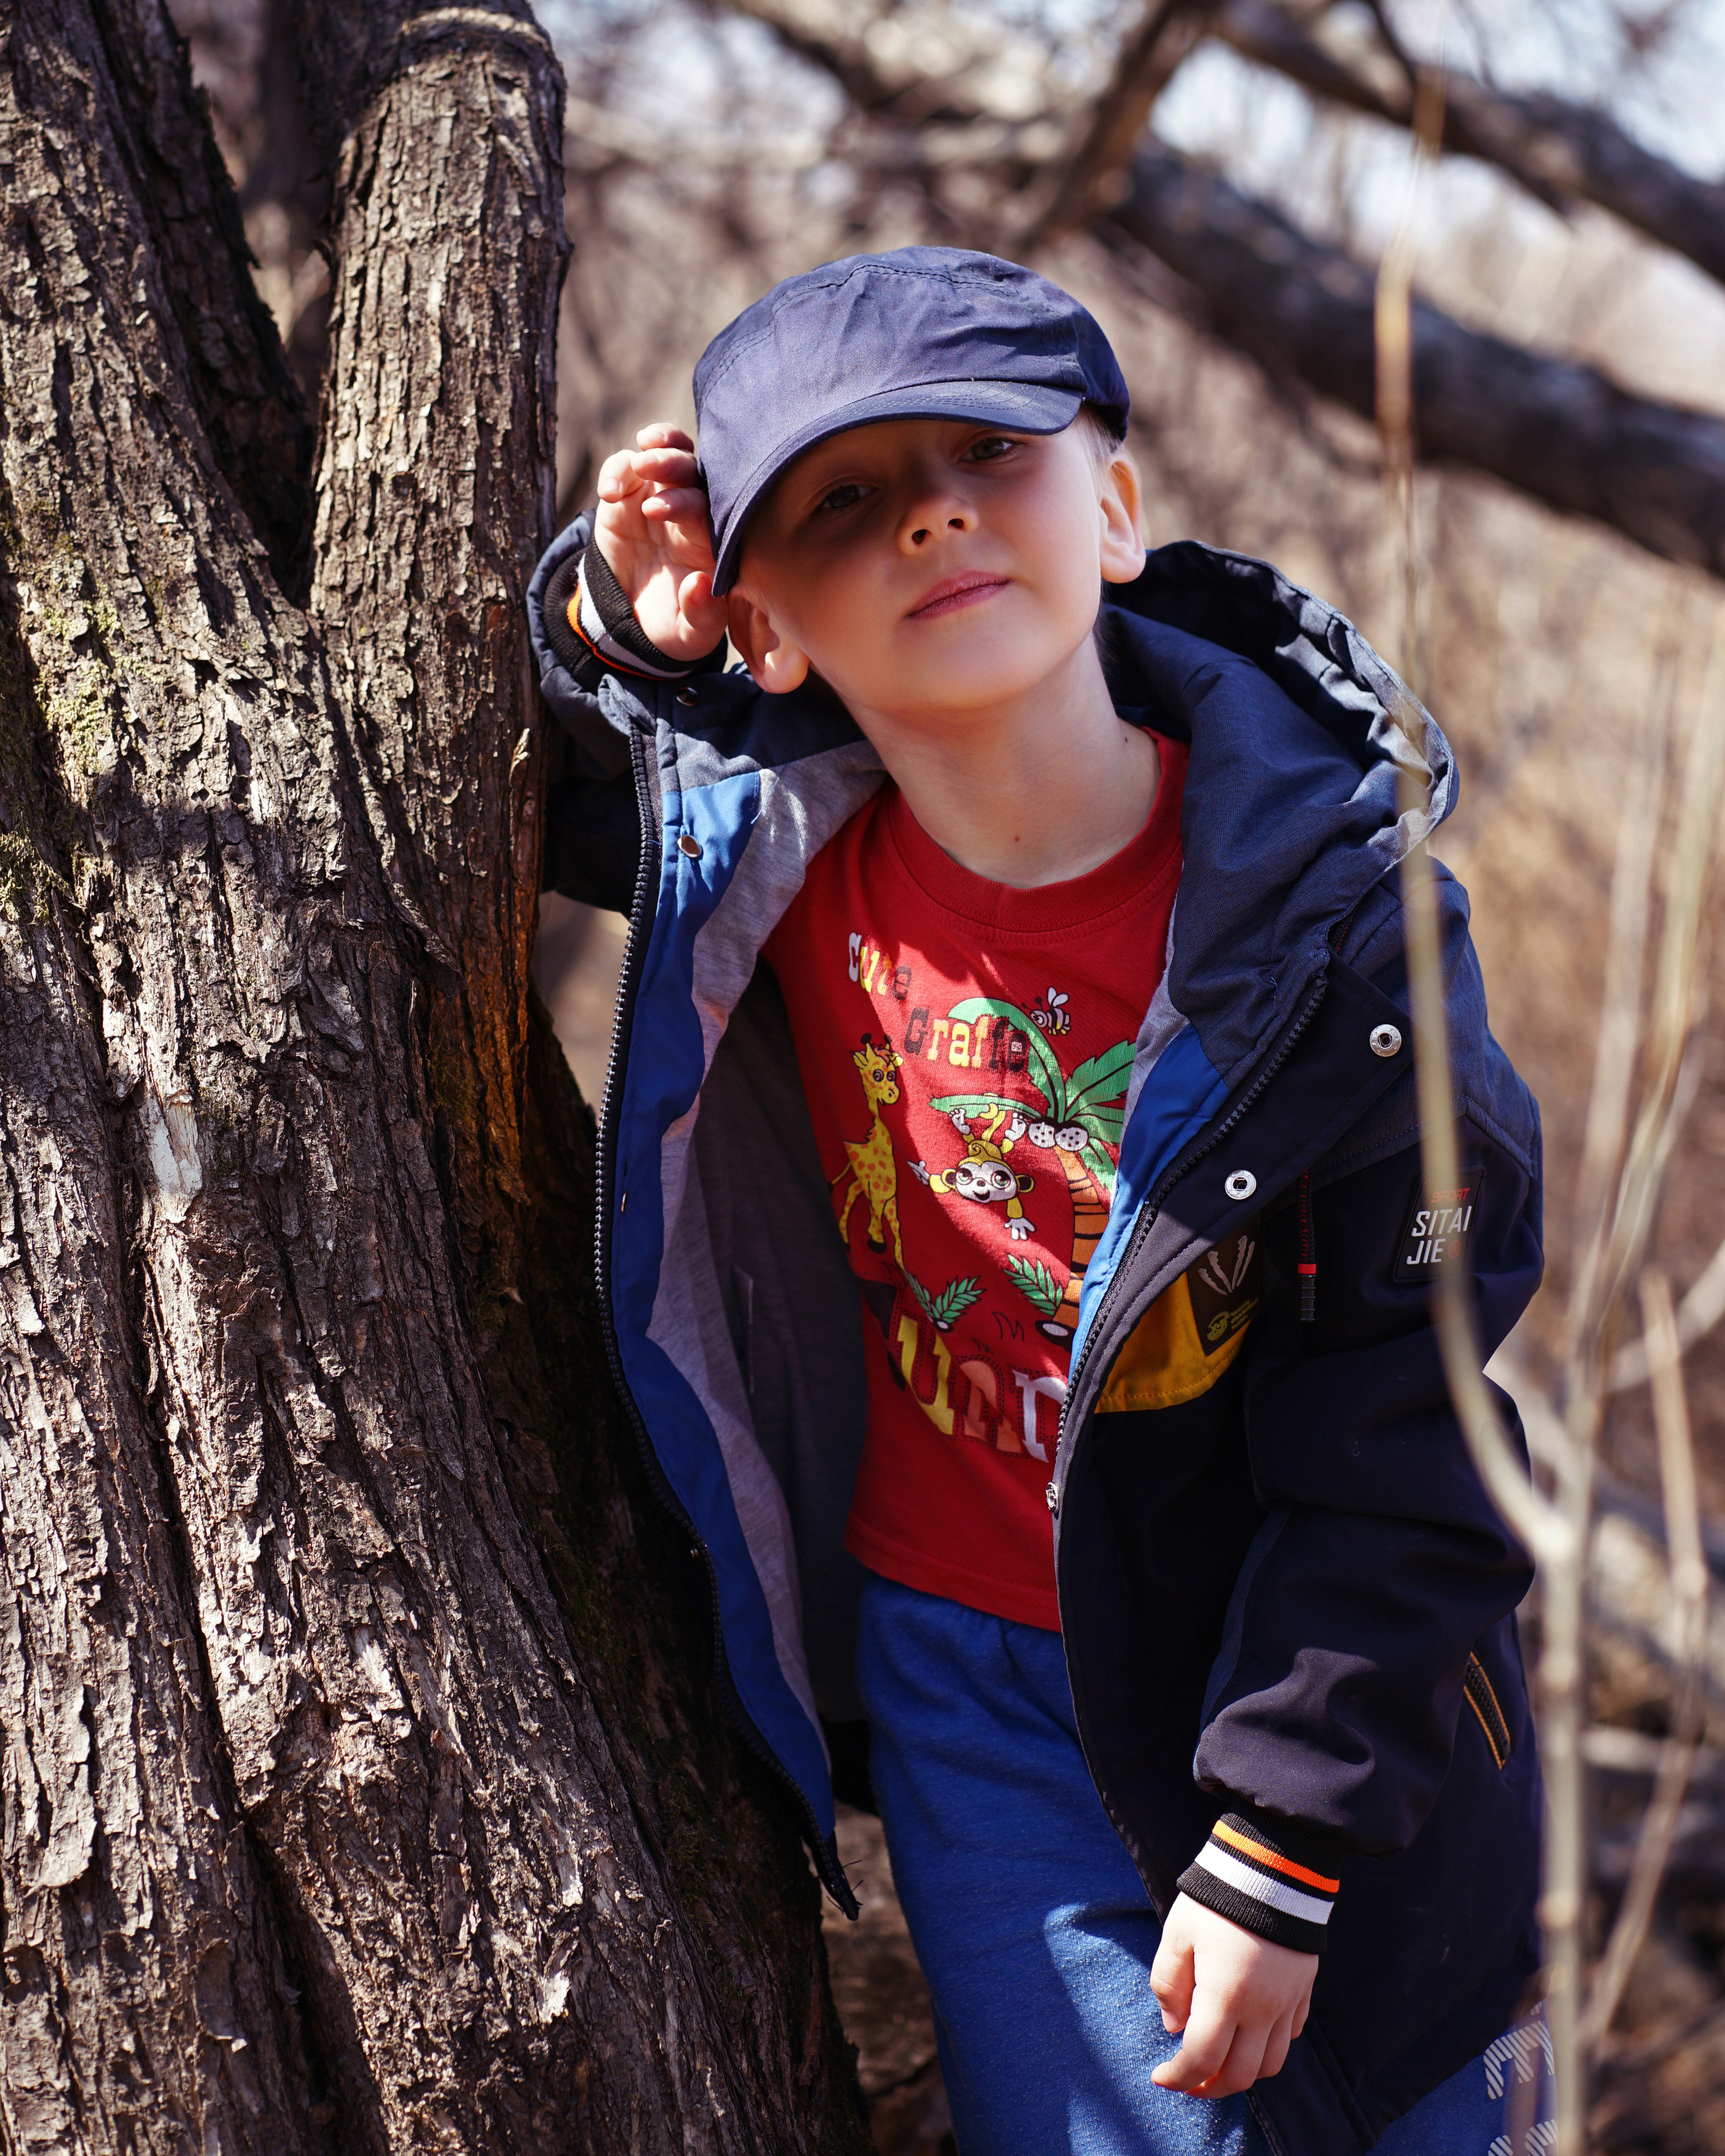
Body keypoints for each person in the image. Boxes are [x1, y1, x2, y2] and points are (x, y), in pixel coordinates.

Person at [526, 247, 1551, 2154]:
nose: (928, 509)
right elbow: (534, 778)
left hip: (1316, 1673)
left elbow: (1415, 1435)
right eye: (842, 499)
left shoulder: (1340, 936)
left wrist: (1288, 1835)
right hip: (976, 1709)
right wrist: (620, 622)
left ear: (1122, 508)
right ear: (770, 624)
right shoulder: (776, 869)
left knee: (1420, 2113)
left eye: (987, 453)